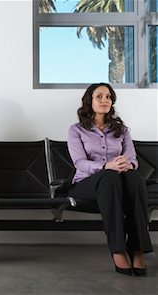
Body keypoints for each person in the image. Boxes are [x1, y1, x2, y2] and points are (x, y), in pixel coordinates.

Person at [67, 83, 153, 277]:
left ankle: (138, 248)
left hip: (117, 183)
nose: (105, 100)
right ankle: (118, 249)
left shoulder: (122, 130)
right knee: (109, 176)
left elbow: (132, 160)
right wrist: (106, 166)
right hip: (86, 185)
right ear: (89, 100)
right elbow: (79, 163)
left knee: (133, 177)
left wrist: (125, 165)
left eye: (108, 96)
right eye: (99, 96)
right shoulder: (77, 130)